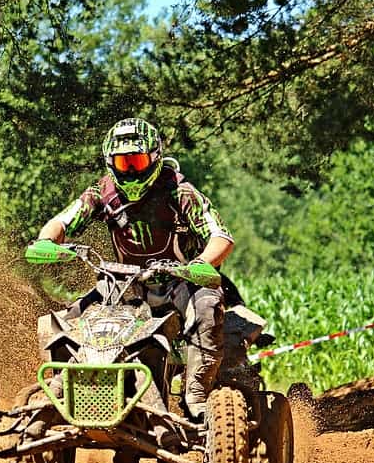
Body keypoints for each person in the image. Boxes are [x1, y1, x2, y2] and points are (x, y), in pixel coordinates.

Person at [36, 117, 234, 421]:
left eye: (137, 162)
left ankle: (196, 395)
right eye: (123, 163)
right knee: (65, 321)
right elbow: (63, 220)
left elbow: (221, 236)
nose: (130, 171)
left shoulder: (179, 191)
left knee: (207, 308)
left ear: (154, 158)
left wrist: (201, 264)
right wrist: (47, 241)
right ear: (110, 162)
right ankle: (61, 389)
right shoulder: (102, 191)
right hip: (123, 284)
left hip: (179, 280)